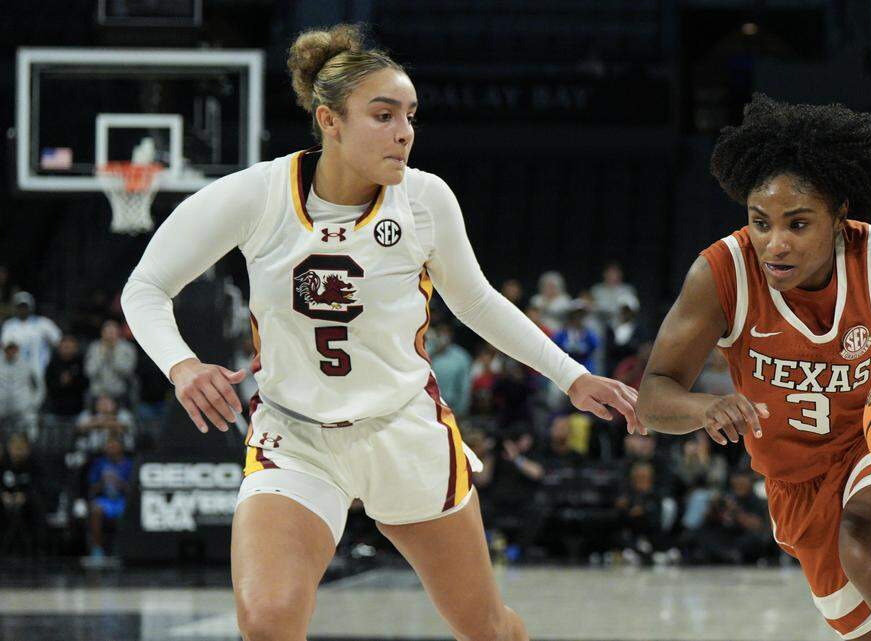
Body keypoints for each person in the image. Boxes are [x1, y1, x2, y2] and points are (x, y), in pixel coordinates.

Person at [120, 24, 640, 641]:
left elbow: (476, 300)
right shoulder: (257, 195)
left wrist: (572, 377)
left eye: (410, 116)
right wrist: (181, 364)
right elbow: (145, 287)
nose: (404, 132)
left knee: (486, 628)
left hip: (403, 431)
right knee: (267, 622)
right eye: (384, 114)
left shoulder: (423, 199)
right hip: (297, 436)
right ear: (330, 121)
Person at [636, 94, 871, 641]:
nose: (775, 244)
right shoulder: (721, 273)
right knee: (870, 626)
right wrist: (705, 407)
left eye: (798, 224)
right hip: (795, 482)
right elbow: (654, 396)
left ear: (840, 215)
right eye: (760, 222)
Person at [86, 435, 134, 558]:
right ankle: (97, 549)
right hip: (105, 500)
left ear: (121, 447)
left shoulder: (129, 464)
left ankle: (123, 549)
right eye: (109, 446)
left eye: (114, 446)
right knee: (96, 510)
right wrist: (103, 482)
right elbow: (92, 488)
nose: (111, 449)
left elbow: (133, 490)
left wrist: (119, 483)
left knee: (130, 511)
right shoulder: (99, 463)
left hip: (123, 500)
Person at [0, 292, 61, 378]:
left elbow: (58, 341)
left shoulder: (44, 323)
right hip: (16, 372)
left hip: (40, 369)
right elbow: (5, 346)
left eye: (25, 306)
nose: (22, 309)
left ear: (31, 306)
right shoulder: (9, 325)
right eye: (20, 306)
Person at [84, 319, 138, 403]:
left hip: (119, 393)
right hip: (97, 394)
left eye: (112, 332)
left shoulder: (128, 348)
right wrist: (102, 356)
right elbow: (89, 372)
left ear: (118, 333)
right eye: (107, 332)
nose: (110, 336)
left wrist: (112, 355)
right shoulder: (94, 347)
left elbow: (128, 372)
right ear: (102, 333)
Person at [0, 340, 43, 436]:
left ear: (17, 349)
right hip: (2, 407)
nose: (11, 351)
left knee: (31, 426)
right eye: (8, 348)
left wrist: (34, 403)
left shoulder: (27, 364)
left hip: (22, 408)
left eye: (13, 348)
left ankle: (32, 444)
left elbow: (39, 386)